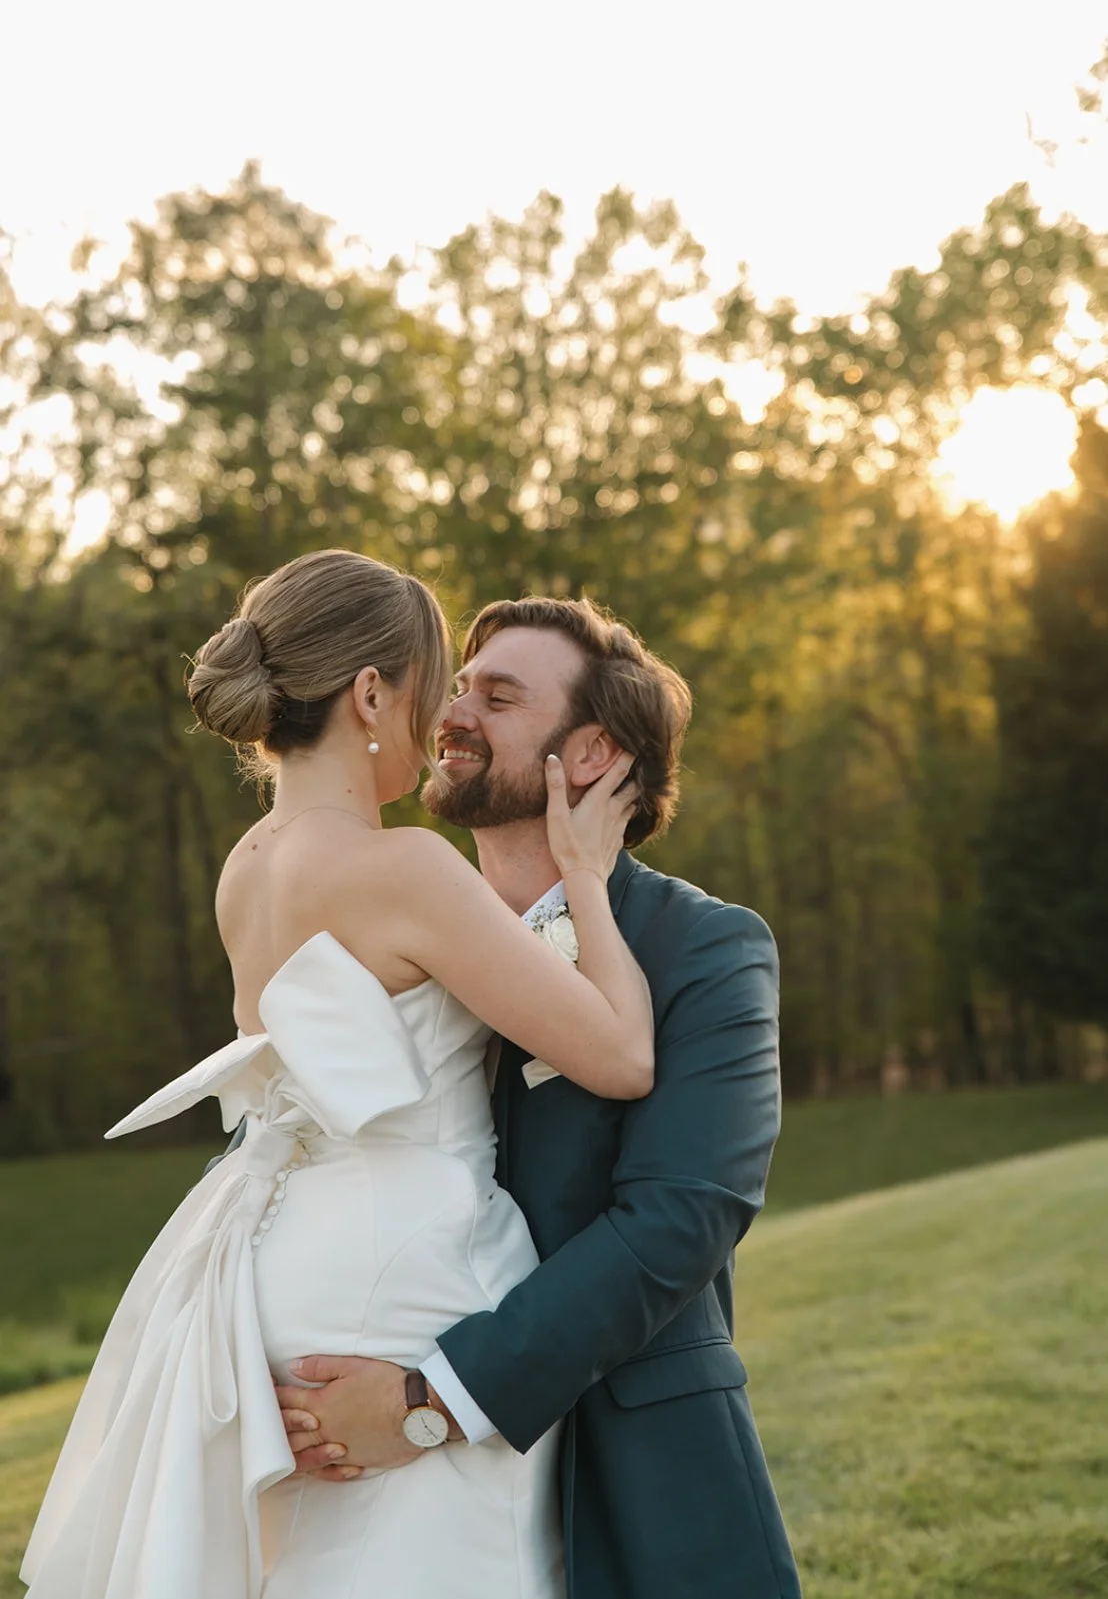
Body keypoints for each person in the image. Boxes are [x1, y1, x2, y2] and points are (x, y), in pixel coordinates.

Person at [20, 551, 654, 1599]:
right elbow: (622, 1057)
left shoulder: (250, 865)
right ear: (368, 693)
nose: (438, 715)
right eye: (428, 684)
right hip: (409, 1262)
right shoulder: (403, 868)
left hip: (282, 1257)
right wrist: (583, 870)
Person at [274, 596, 803, 1599]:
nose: (452, 710)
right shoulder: (386, 926)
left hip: (632, 1470)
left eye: (499, 696)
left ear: (592, 752)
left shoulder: (707, 949)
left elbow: (678, 1220)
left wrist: (434, 1398)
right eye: (459, 684)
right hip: (386, 1482)